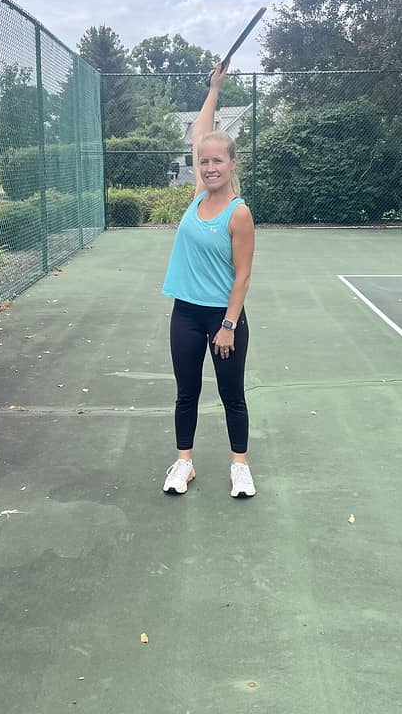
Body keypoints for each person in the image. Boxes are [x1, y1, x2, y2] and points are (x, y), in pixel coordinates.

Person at [160, 61, 256, 498]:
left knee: (231, 394)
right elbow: (202, 130)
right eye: (205, 162)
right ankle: (184, 464)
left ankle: (240, 467)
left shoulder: (238, 213)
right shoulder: (199, 193)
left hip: (223, 316)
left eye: (218, 160)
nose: (210, 166)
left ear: (233, 164)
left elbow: (243, 275)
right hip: (186, 314)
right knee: (187, 393)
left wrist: (229, 325)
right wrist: (214, 88)